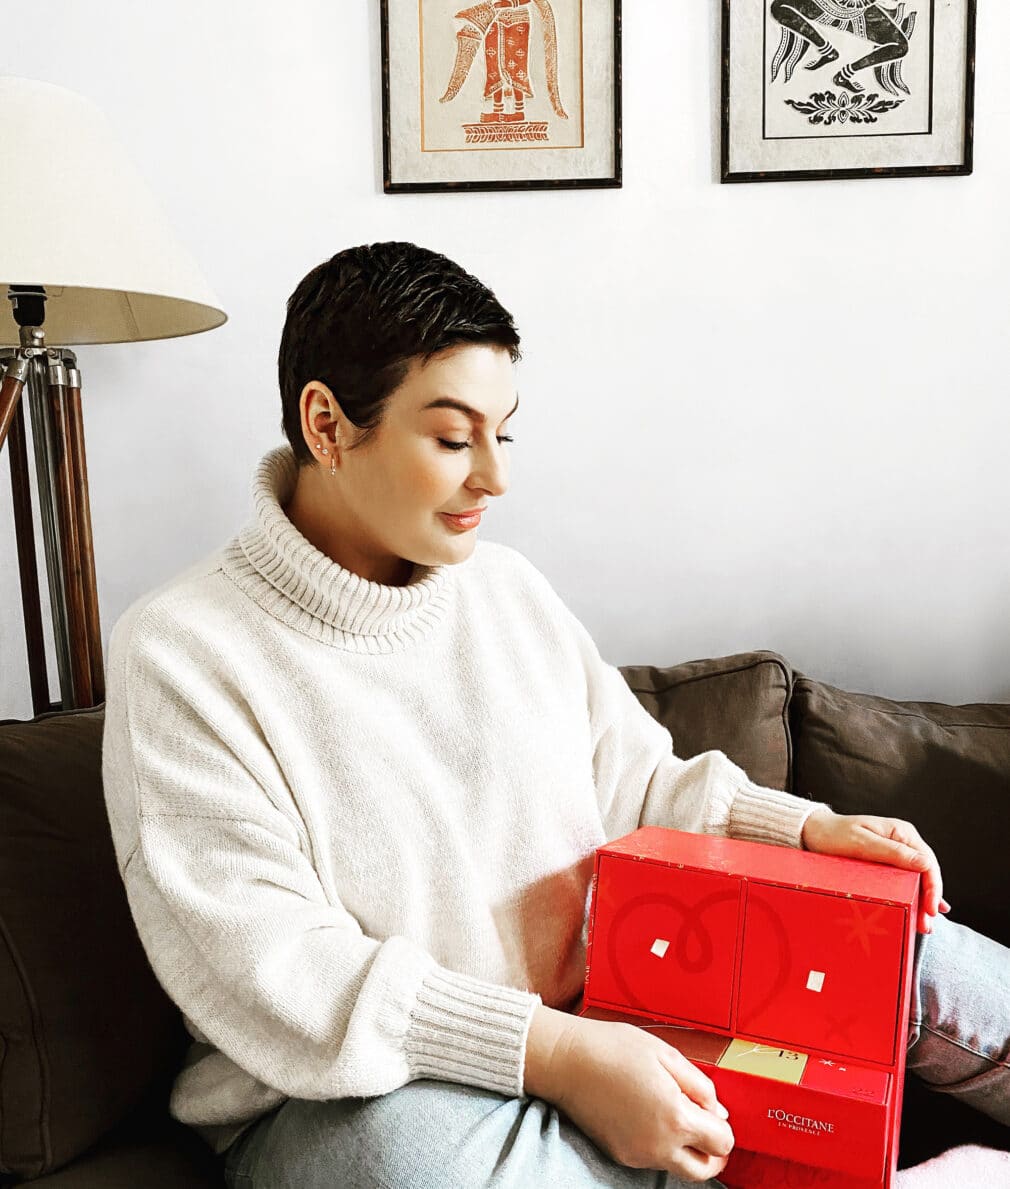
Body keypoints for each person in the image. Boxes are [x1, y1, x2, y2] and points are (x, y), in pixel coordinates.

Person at [101, 242, 1010, 1189]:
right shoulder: (181, 648)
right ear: (326, 423)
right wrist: (559, 1055)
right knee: (404, 1165)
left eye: (505, 434)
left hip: (607, 1017)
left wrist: (809, 832)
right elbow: (276, 967)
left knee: (897, 941)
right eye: (453, 439)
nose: (494, 478)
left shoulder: (505, 590)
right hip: (366, 1090)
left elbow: (637, 784)